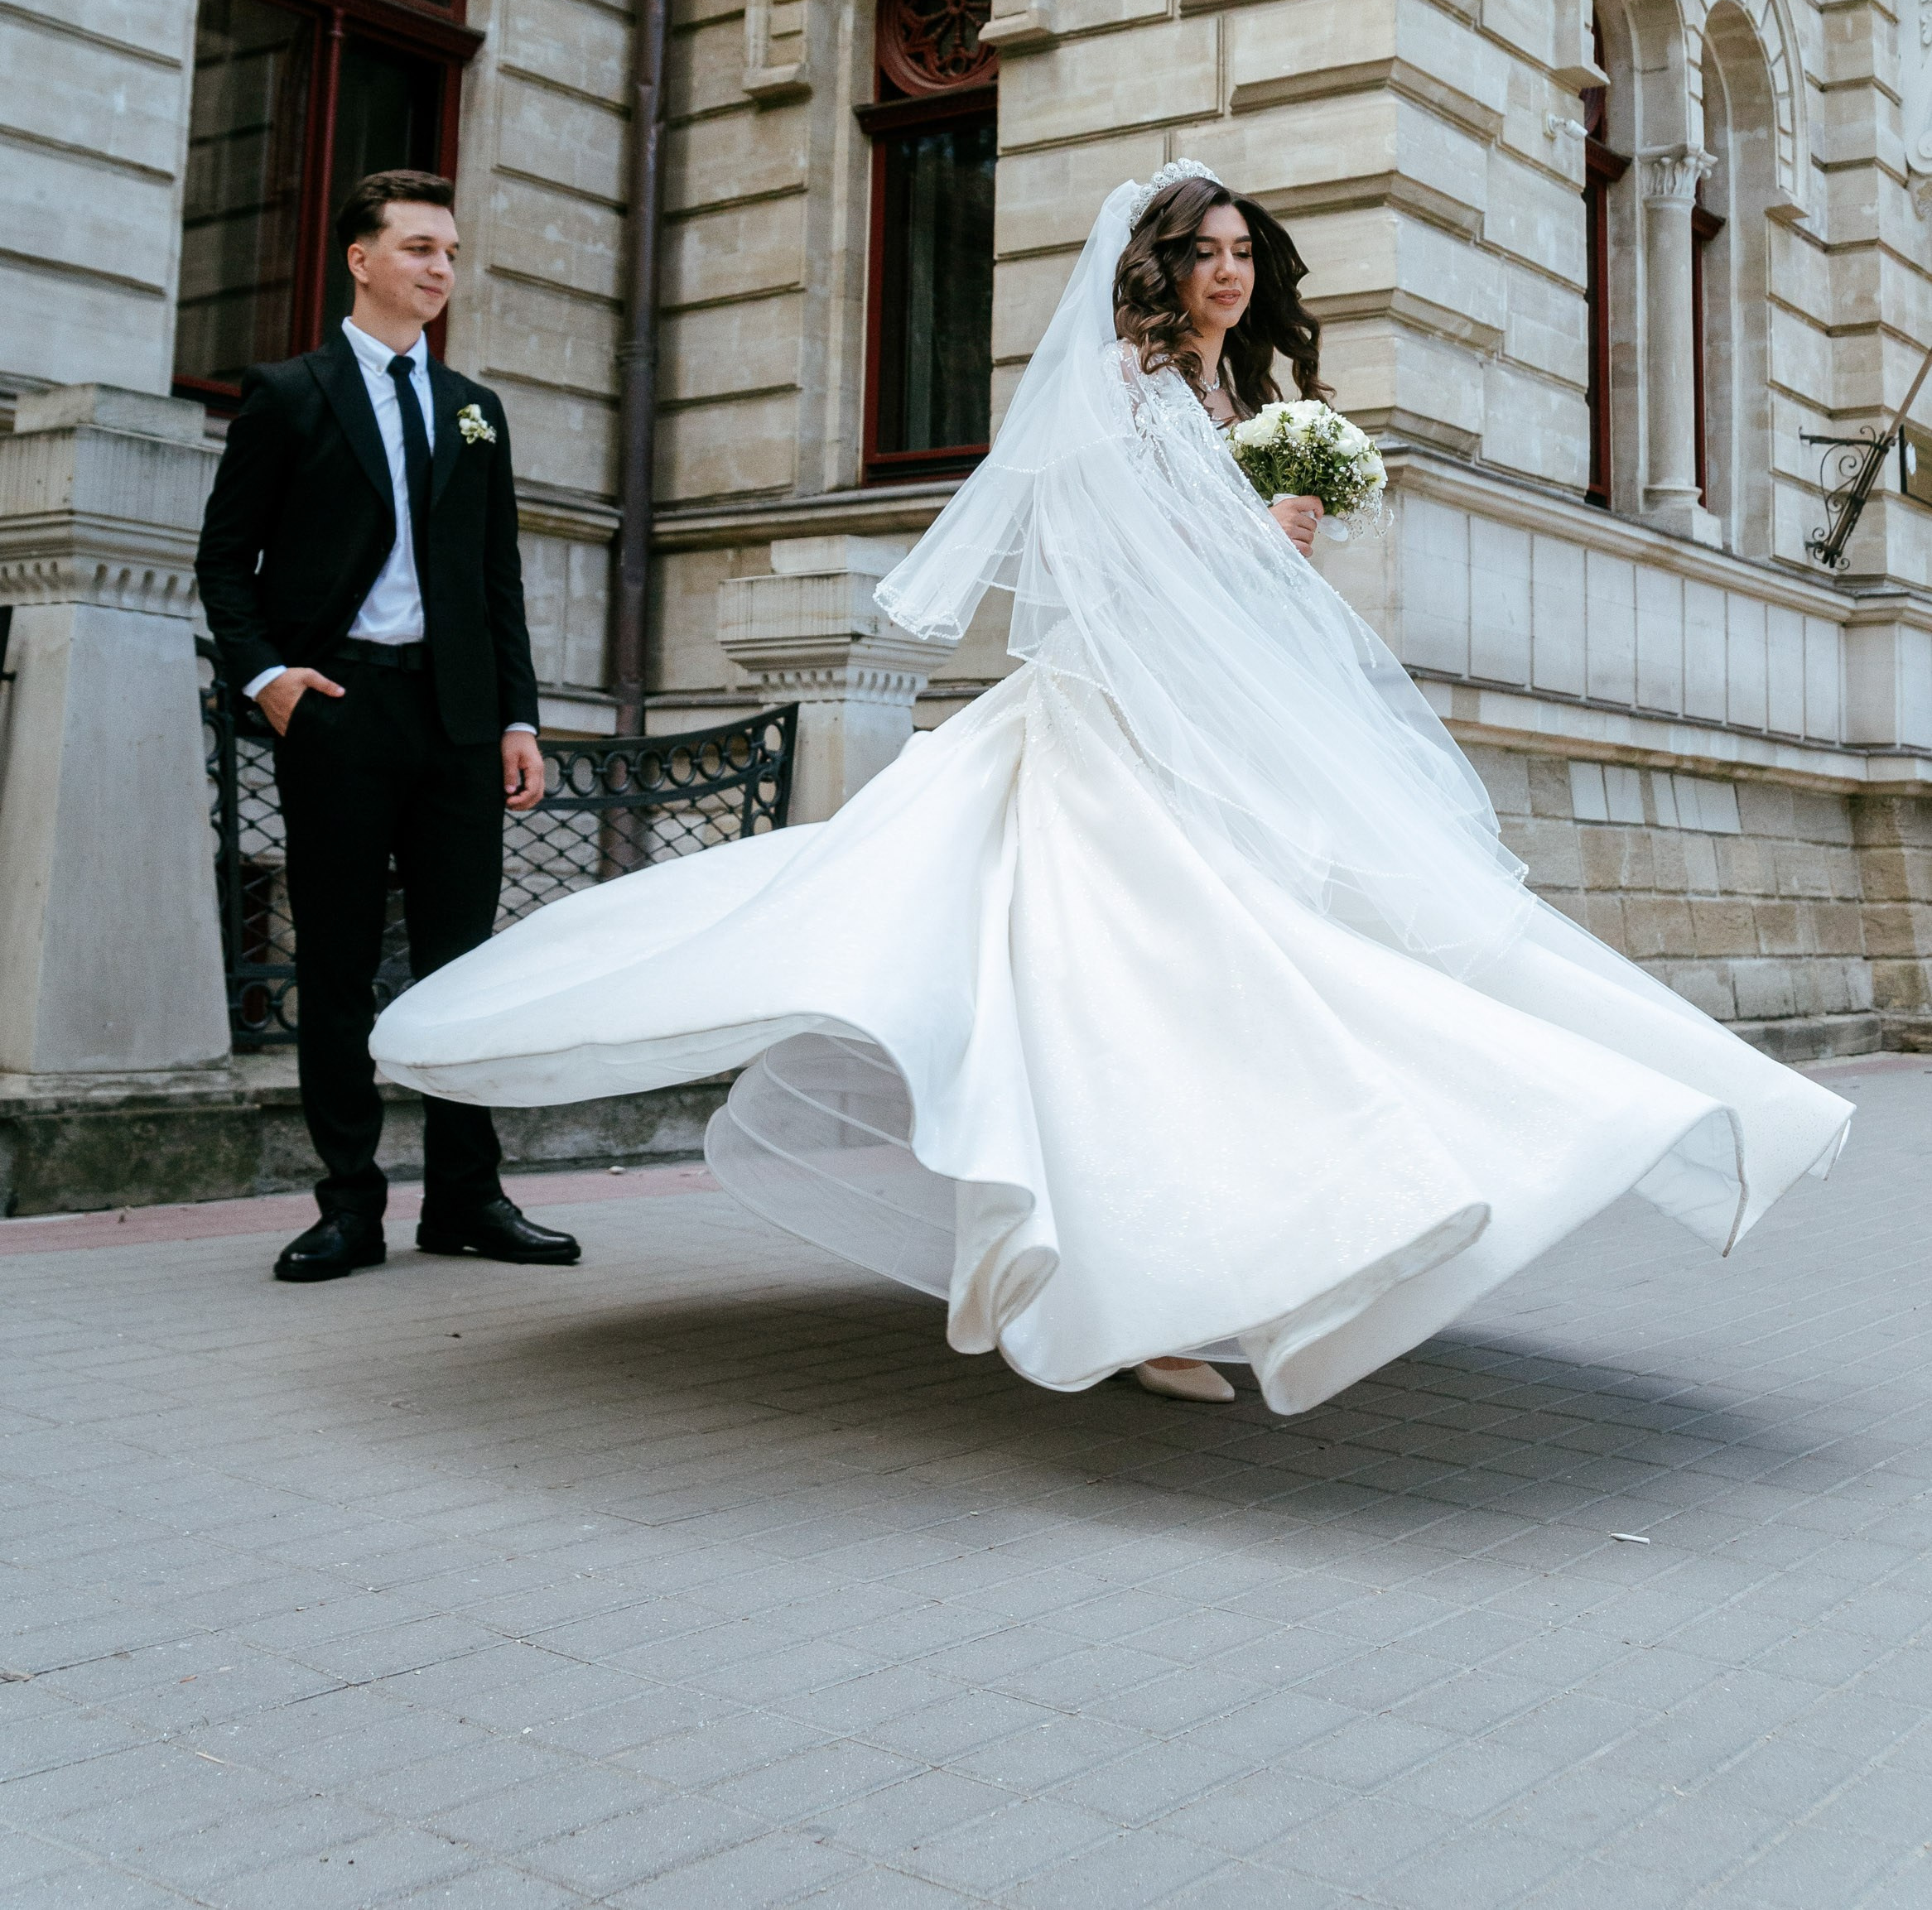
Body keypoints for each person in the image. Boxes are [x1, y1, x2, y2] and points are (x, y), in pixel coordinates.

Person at [372, 162, 1850, 1410]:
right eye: (1200, 253)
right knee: (1123, 1007)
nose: (1224, 272)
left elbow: (1233, 582)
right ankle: (1136, 1298)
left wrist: (1279, 531)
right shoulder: (1120, 389)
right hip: (1111, 735)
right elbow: (1104, 580)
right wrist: (1258, 537)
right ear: (1152, 270)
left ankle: (1264, 1253)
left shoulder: (1236, 394)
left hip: (1212, 730)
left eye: (1240, 253)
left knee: (1238, 1001)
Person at [196, 170, 581, 1286]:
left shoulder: (476, 409)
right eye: (419, 249)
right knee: (343, 962)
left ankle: (465, 1198)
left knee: (466, 968)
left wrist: (518, 716)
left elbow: (494, 577)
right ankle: (347, 1206)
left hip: (458, 720)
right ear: (361, 261)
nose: (441, 270)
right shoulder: (289, 394)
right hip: (340, 708)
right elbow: (227, 561)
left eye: (451, 253)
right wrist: (266, 676)